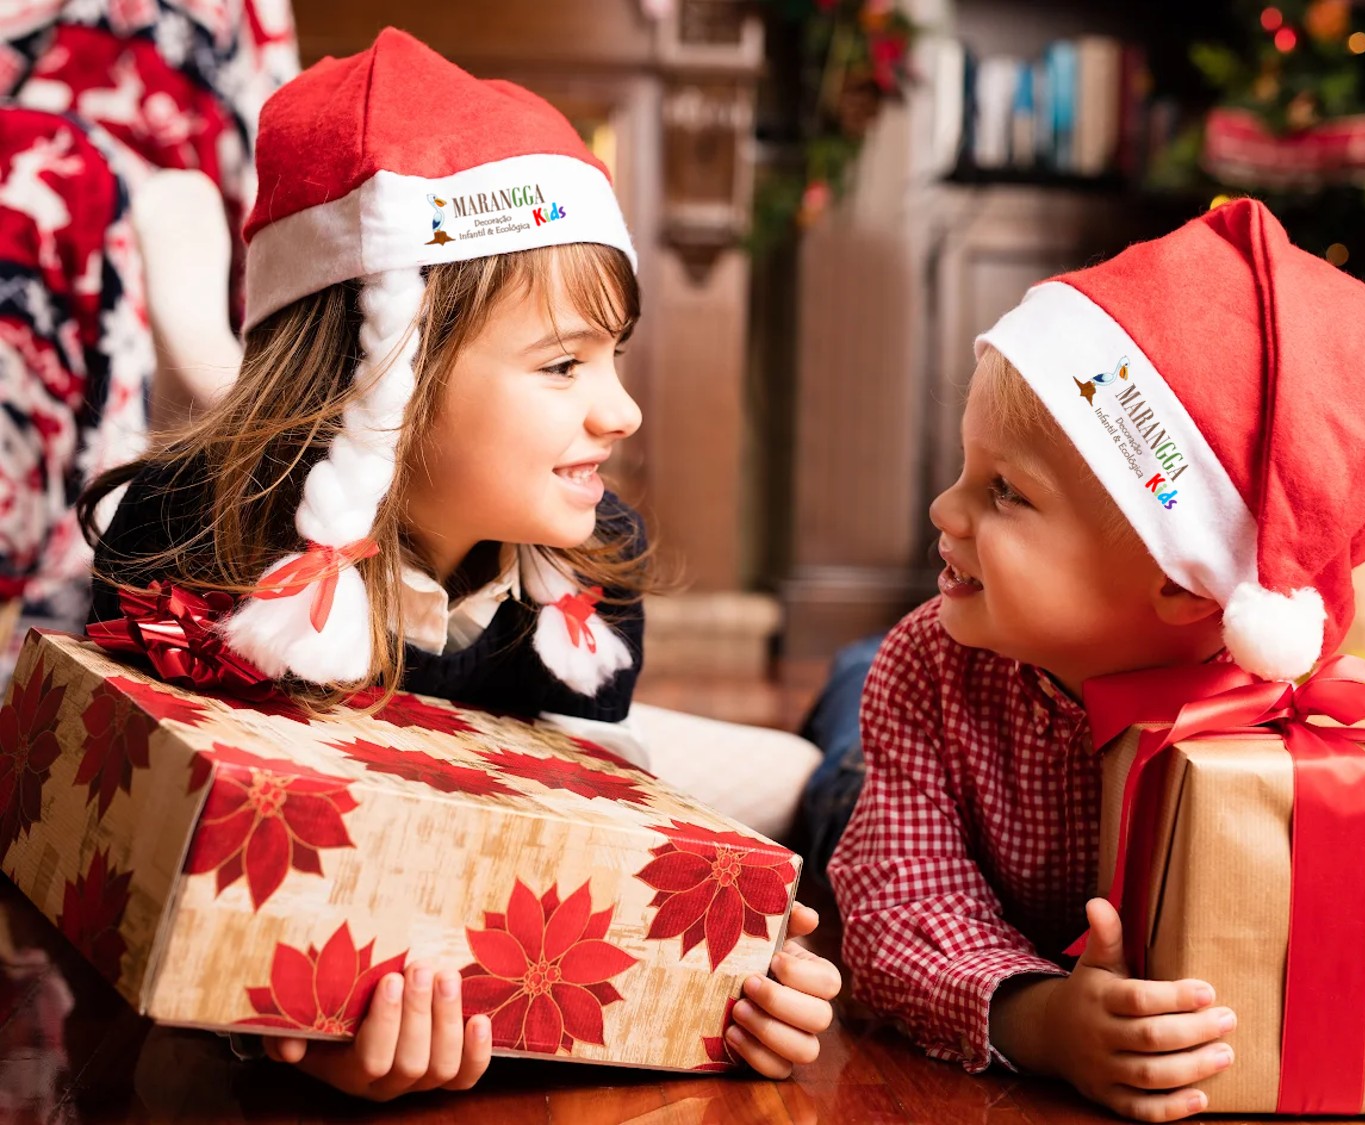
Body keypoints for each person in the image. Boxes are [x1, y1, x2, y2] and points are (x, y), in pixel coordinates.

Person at [78, 28, 839, 1100]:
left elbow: (543, 808)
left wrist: (743, 969)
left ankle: (865, 696)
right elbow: (174, 838)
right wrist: (290, 1031)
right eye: (563, 363)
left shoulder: (587, 570)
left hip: (517, 727)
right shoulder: (193, 552)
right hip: (313, 659)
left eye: (613, 357)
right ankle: (196, 344)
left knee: (808, 780)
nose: (620, 411)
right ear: (387, 377)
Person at [825, 199, 1365, 1123]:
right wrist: (1044, 1022)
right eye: (965, 469)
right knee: (831, 773)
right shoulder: (928, 666)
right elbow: (892, 909)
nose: (943, 510)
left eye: (1005, 493)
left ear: (1185, 587)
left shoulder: (1309, 735)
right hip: (878, 754)